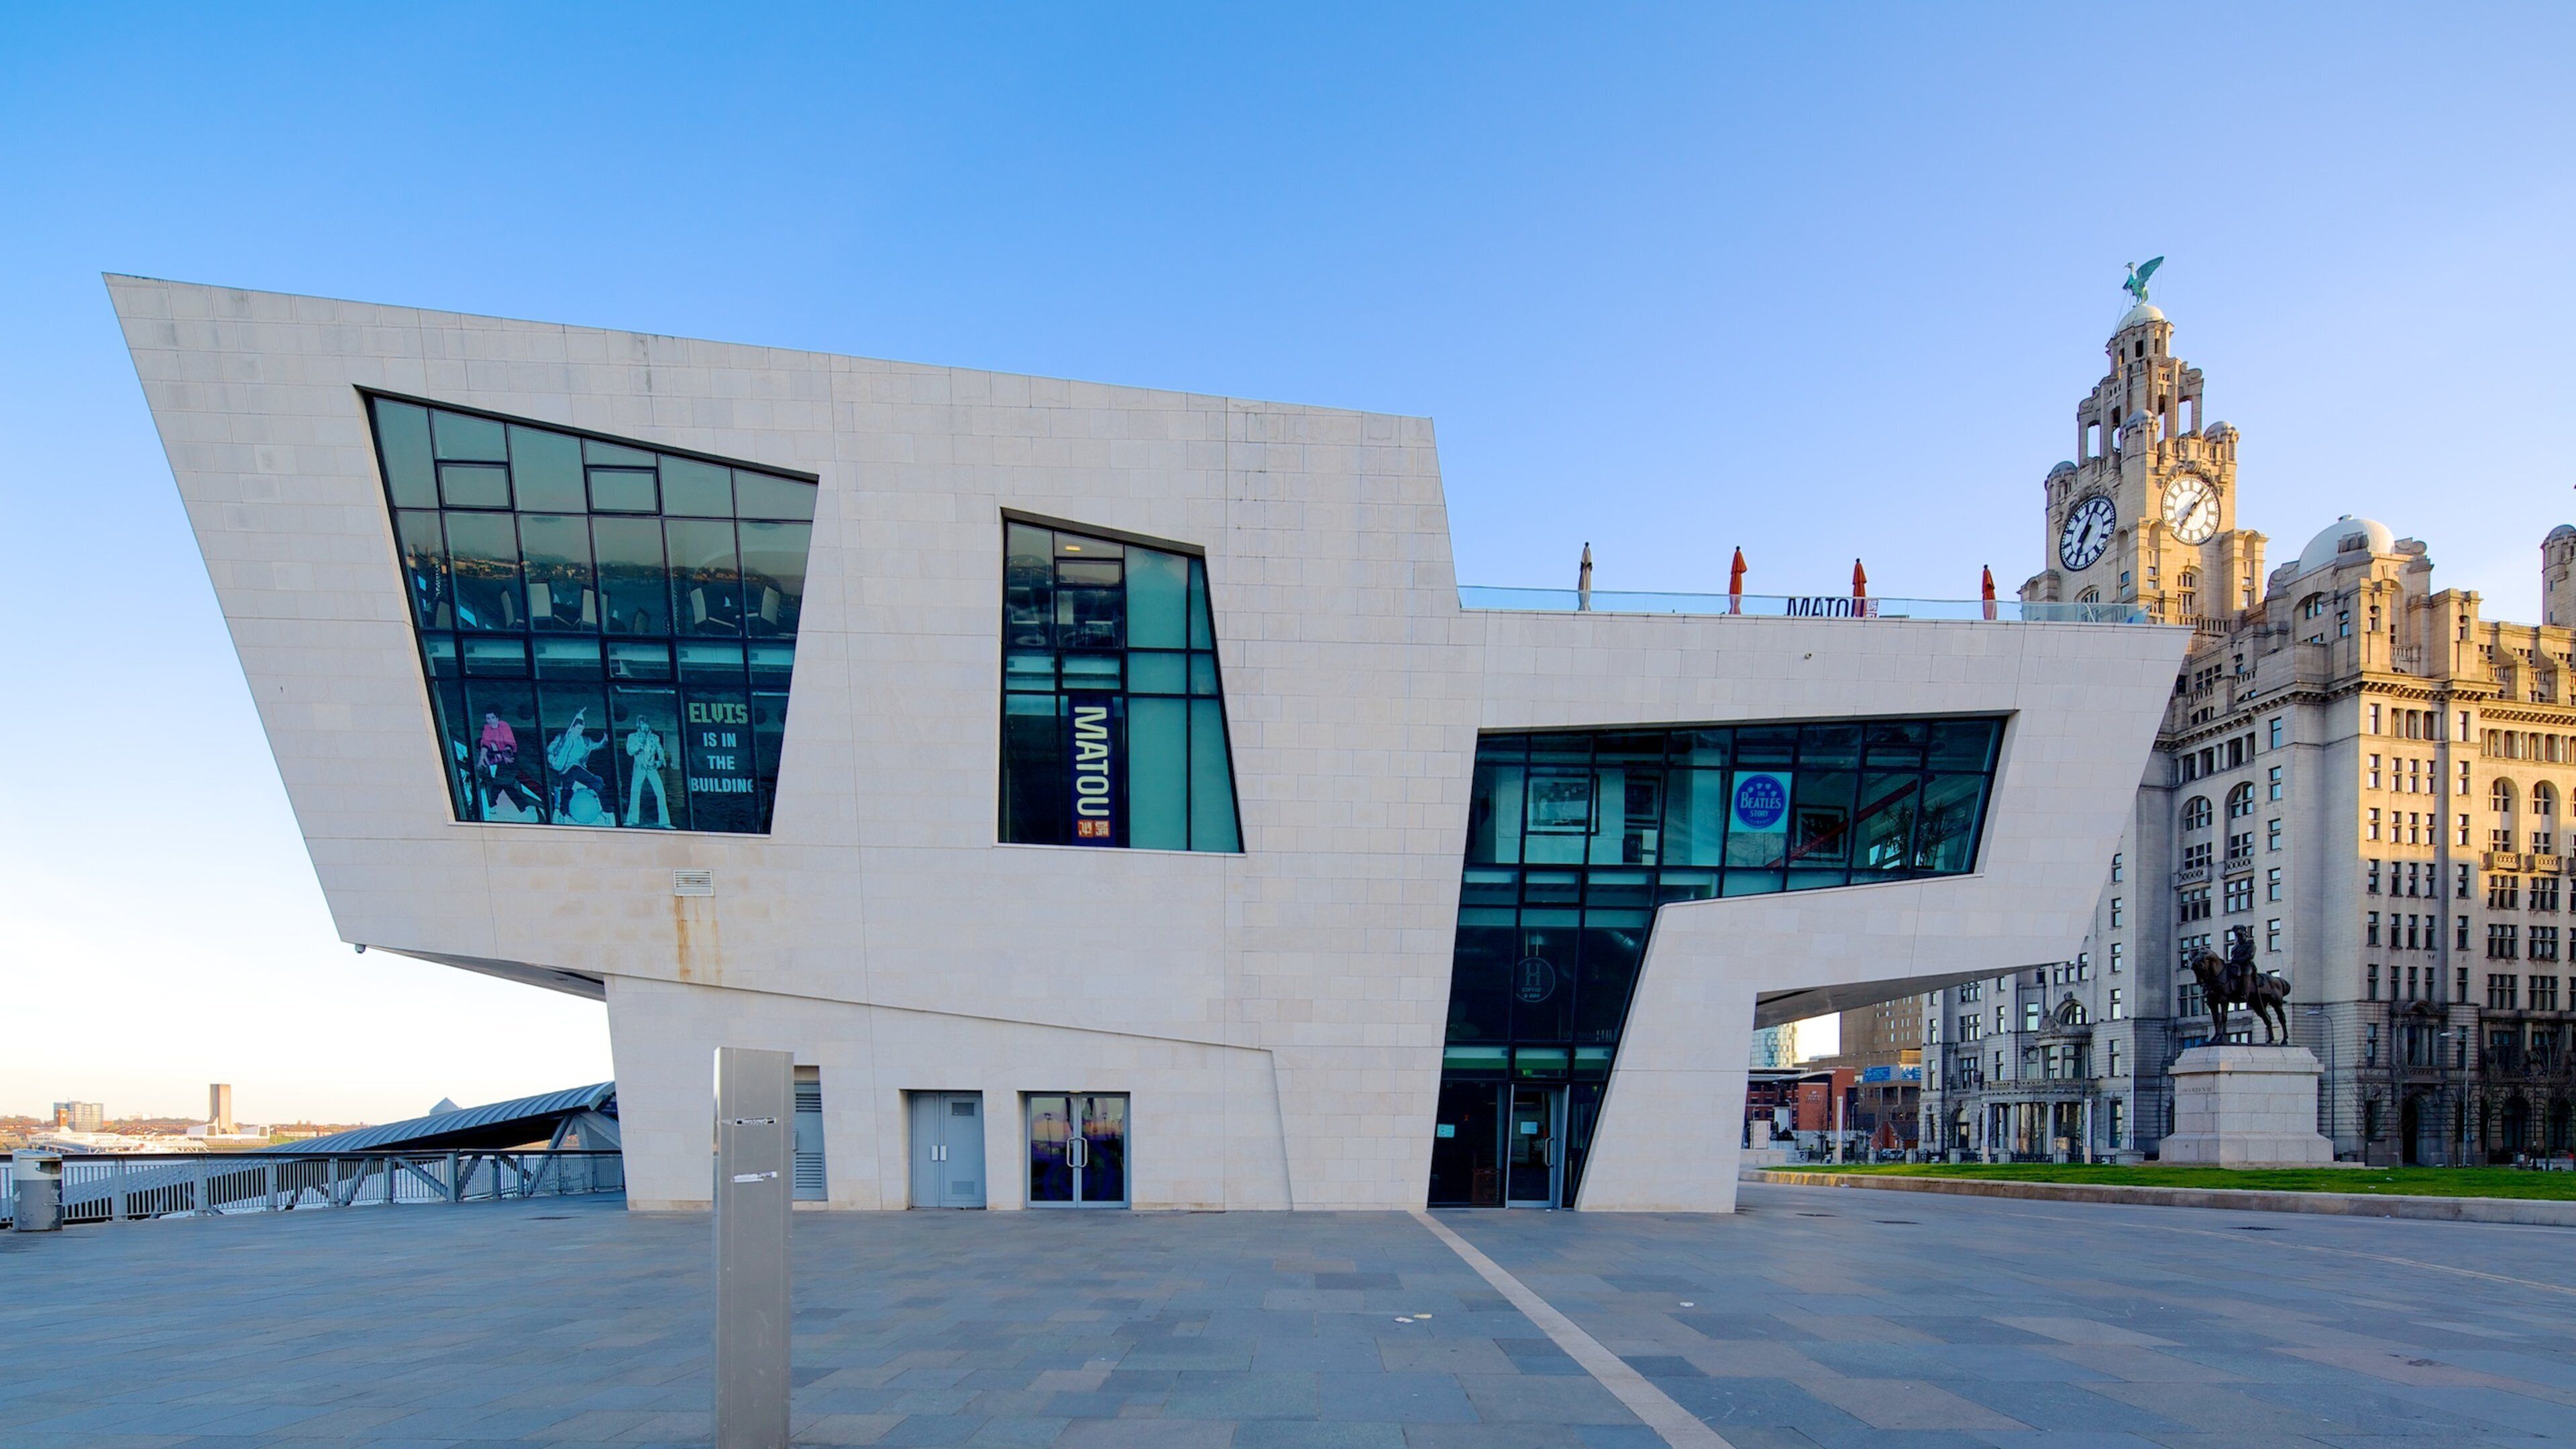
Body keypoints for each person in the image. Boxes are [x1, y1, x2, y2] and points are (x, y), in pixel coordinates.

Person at [546, 708, 612, 824]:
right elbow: (550, 749)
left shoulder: (585, 741)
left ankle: (607, 812)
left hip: (578, 768)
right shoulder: (562, 738)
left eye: (582, 729)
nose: (580, 731)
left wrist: (604, 741)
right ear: (572, 728)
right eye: (578, 728)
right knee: (568, 787)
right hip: (565, 768)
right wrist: (552, 757)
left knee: (598, 784)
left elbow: (597, 746)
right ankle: (564, 814)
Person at [475, 712, 541, 820]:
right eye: (488, 718)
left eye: (492, 718)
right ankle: (523, 807)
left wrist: (505, 754)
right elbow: (487, 747)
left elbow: (509, 745)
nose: (490, 721)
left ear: (497, 718)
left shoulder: (504, 726)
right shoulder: (487, 731)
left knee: (500, 785)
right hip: (504, 763)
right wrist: (483, 759)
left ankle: (493, 806)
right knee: (507, 787)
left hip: (510, 761)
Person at [625, 718, 672, 828]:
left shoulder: (655, 738)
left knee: (660, 792)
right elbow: (630, 751)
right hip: (639, 768)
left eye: (646, 724)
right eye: (642, 724)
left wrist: (659, 763)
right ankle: (632, 820)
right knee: (635, 792)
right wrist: (639, 744)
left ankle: (665, 822)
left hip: (651, 768)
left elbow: (661, 752)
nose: (645, 727)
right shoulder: (632, 737)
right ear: (638, 725)